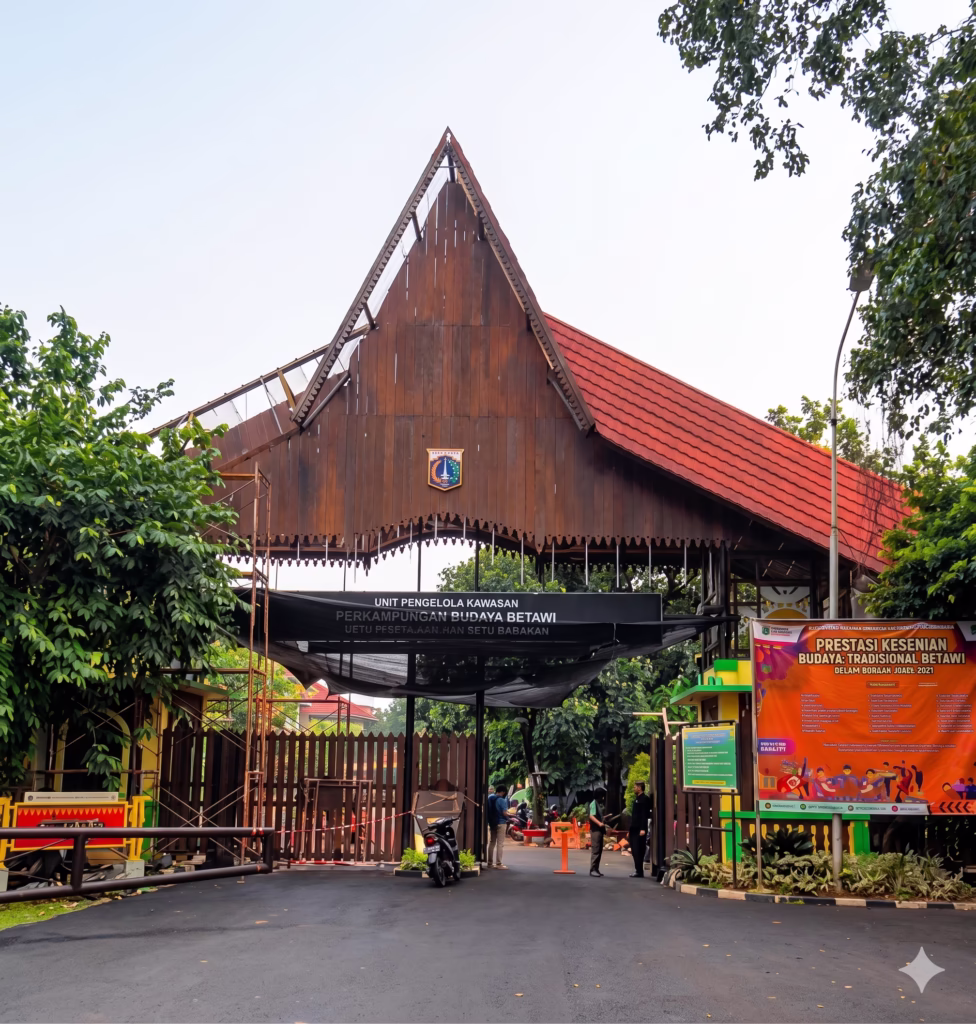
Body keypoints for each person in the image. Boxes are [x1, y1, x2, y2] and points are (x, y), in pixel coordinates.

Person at [486, 783, 513, 870]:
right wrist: (510, 815)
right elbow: (504, 813)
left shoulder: (489, 798)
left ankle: (489, 863)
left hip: (492, 823)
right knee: (500, 844)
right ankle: (499, 863)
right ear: (502, 792)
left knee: (492, 842)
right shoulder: (502, 800)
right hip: (501, 823)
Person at [629, 780, 651, 878]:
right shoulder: (637, 799)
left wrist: (643, 828)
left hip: (640, 828)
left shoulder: (644, 799)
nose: (634, 789)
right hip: (633, 828)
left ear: (639, 788)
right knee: (634, 849)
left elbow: (643, 815)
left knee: (639, 849)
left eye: (635, 787)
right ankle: (637, 869)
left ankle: (639, 871)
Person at [588, 786, 608, 877]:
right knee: (595, 850)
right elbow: (591, 816)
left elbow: (597, 816)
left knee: (599, 850)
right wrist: (599, 823)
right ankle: (592, 870)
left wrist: (604, 818)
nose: (603, 798)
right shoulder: (593, 804)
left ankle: (596, 869)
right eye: (602, 796)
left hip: (599, 830)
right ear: (599, 796)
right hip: (595, 830)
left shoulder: (598, 805)